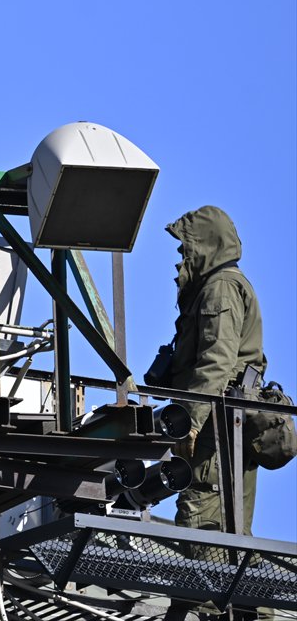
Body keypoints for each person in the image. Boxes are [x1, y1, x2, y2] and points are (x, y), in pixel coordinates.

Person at [163, 205, 270, 621]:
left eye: (184, 249)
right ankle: (250, 611)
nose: (180, 260)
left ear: (205, 245)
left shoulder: (221, 287)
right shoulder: (222, 285)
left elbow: (216, 362)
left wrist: (188, 422)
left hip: (216, 428)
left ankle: (205, 609)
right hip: (226, 425)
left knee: (203, 518)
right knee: (232, 533)